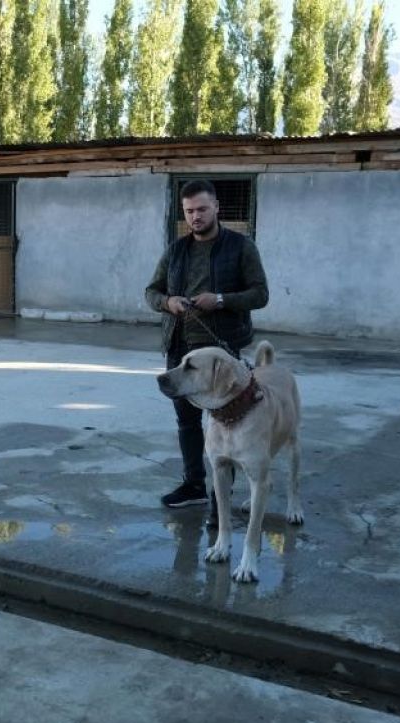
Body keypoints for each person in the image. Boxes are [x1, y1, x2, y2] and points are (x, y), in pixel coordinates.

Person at [145, 179, 269, 525]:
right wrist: (167, 302)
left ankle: (221, 503)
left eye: (201, 209)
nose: (195, 217)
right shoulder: (176, 250)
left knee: (227, 424)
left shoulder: (241, 247)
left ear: (216, 207)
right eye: (189, 211)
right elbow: (151, 291)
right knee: (187, 422)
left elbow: (260, 294)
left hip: (221, 354)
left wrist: (221, 299)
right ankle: (194, 485)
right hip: (181, 349)